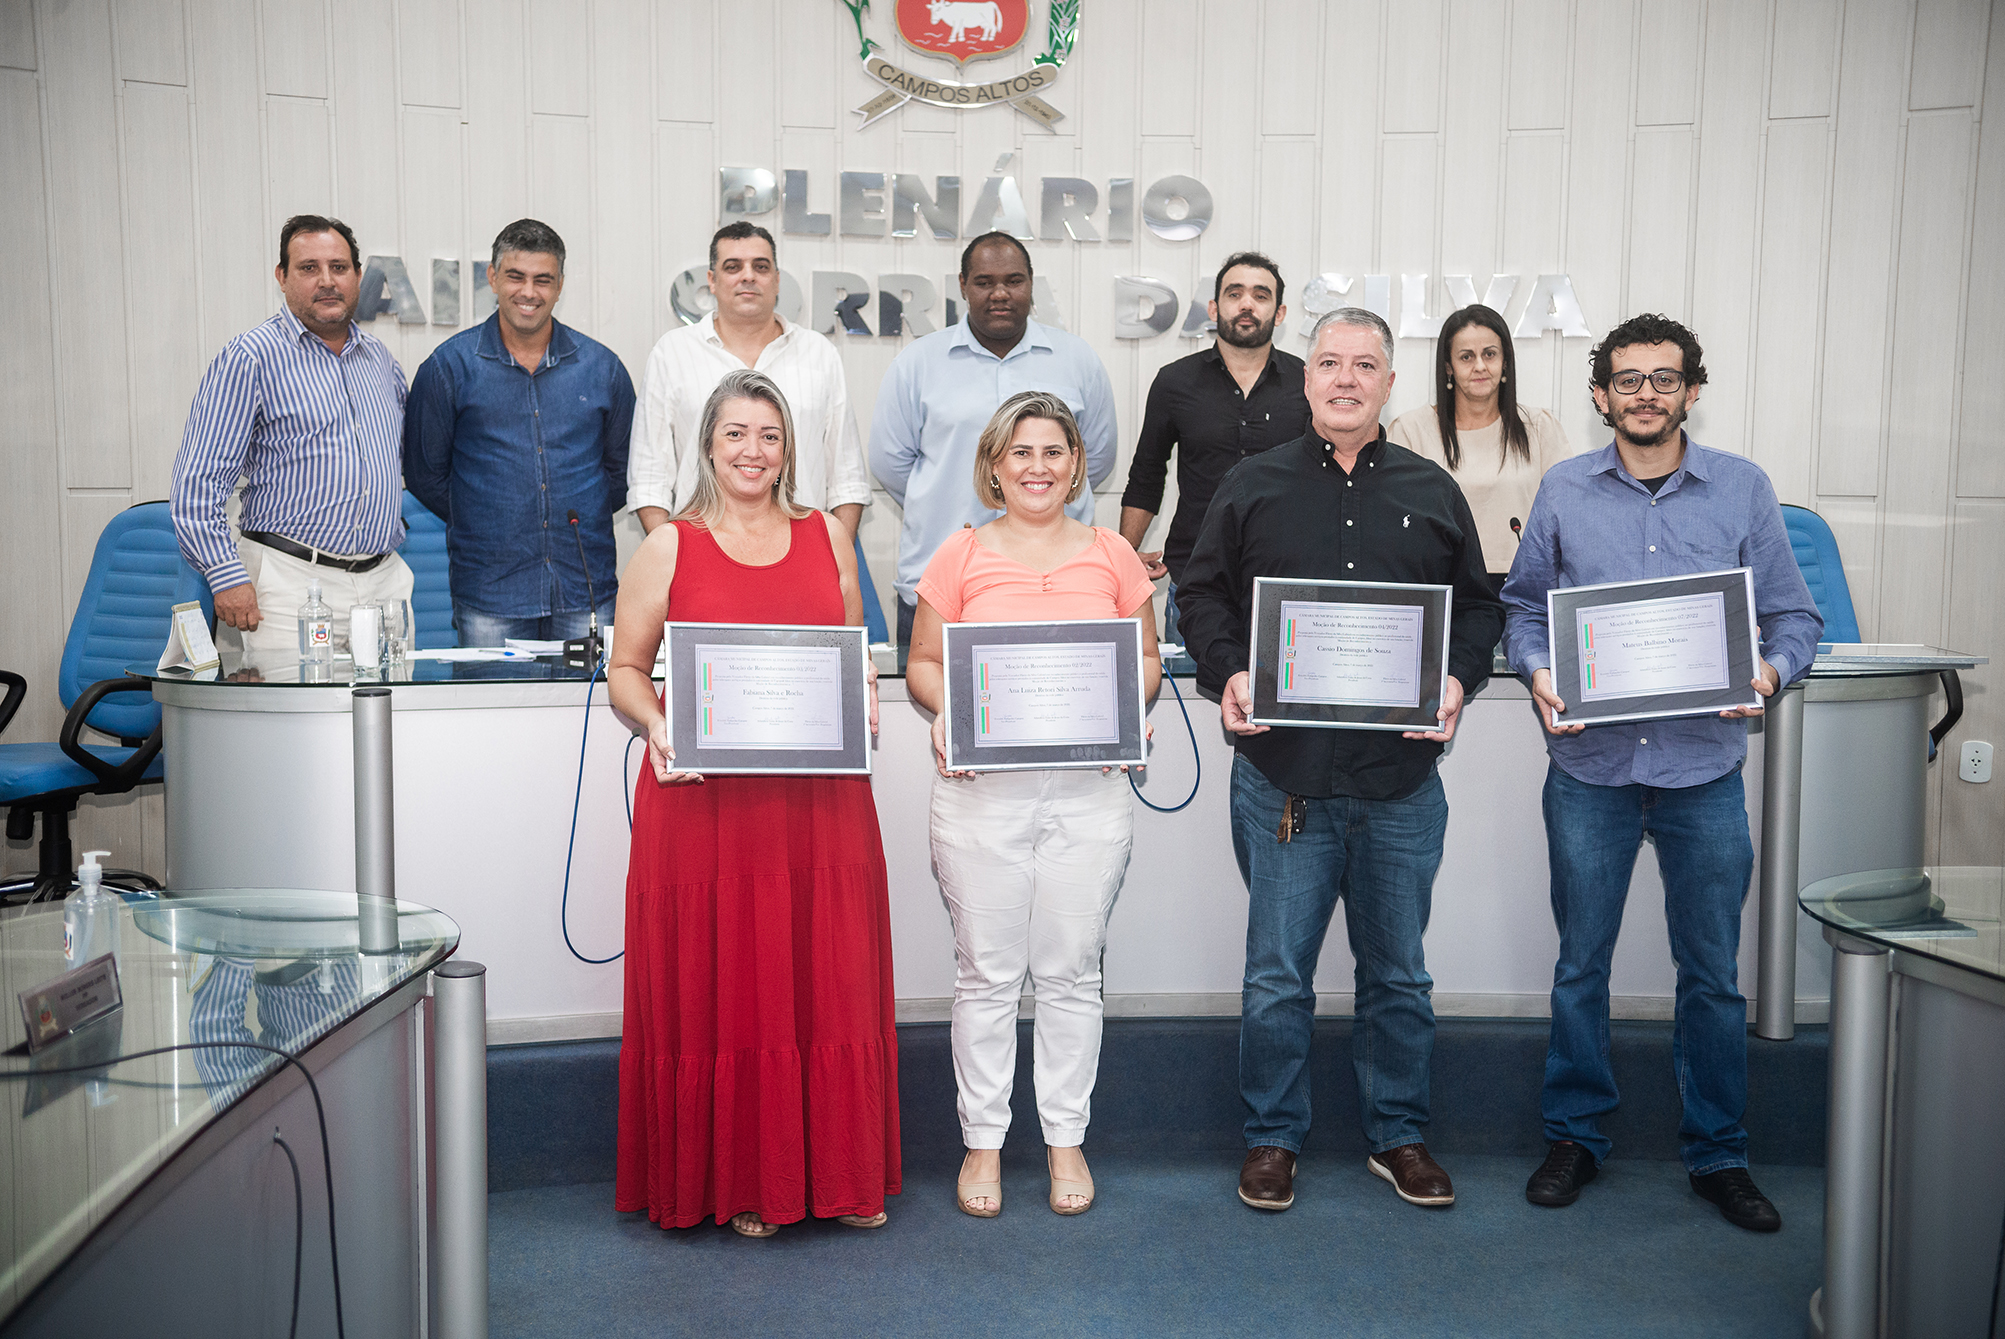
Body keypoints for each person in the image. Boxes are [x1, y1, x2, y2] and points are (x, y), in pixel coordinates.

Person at [1175, 308, 1504, 1214]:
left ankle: (1397, 1135)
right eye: (1329, 362)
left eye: (1366, 365)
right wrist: (1230, 671)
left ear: (1390, 384)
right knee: (1276, 973)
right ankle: (1271, 1139)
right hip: (1285, 780)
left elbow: (1478, 610)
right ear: (1306, 379)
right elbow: (1197, 596)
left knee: (1398, 972)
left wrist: (1456, 681)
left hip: (1399, 783)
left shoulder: (1432, 491)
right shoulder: (1250, 484)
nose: (1346, 379)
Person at [1501, 313, 1821, 1232]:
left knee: (1712, 974)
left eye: (1664, 378)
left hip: (1702, 770)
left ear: (1690, 389)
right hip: (1590, 769)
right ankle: (1574, 1137)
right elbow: (1523, 609)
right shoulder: (1564, 490)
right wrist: (1536, 670)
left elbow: (1793, 620)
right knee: (1579, 965)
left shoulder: (1743, 490)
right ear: (1600, 393)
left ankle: (1718, 1152)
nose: (1646, 394)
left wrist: (1764, 672)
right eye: (1627, 379)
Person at [608, 369, 899, 1238]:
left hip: (818, 805)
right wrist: (658, 723)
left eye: (768, 435)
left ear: (789, 449)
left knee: (826, 974)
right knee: (730, 976)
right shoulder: (668, 546)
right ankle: (741, 1178)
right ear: (706, 445)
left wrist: (869, 694)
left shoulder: (828, 538)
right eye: (734, 433)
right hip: (706, 807)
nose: (752, 451)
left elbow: (850, 654)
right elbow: (625, 672)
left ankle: (838, 1176)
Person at [904, 392, 1162, 1219]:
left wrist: (1129, 704)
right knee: (985, 972)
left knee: (1069, 973)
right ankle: (982, 1139)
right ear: (993, 465)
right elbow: (921, 662)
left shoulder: (1113, 552)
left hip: (1088, 797)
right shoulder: (960, 553)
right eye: (1021, 452)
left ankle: (1063, 1138)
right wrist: (949, 713)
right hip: (982, 797)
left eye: (1053, 451)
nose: (1038, 466)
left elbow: (1148, 657)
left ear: (1076, 464)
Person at [171, 214, 413, 662]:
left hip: (383, 586)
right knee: (293, 730)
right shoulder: (250, 358)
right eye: (308, 268)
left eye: (339, 268)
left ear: (358, 276)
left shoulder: (379, 360)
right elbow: (196, 488)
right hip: (288, 589)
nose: (327, 281)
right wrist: (226, 576)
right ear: (281, 277)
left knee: (386, 725)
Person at [870, 231, 1118, 646]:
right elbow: (890, 465)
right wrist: (956, 498)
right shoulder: (917, 363)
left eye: (1014, 281)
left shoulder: (1076, 360)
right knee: (944, 704)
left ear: (1031, 285)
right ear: (964, 286)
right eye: (984, 282)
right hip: (942, 587)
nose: (1000, 293)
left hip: (1060, 586)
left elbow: (1096, 458)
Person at [402, 219, 634, 645]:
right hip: (490, 592)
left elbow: (620, 475)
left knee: (589, 710)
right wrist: (486, 514)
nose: (529, 292)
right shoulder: (448, 368)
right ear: (492, 277)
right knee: (494, 710)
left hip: (583, 588)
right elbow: (424, 474)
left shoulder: (603, 369)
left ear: (560, 285)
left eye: (543, 279)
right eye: (516, 276)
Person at [627, 222, 870, 539]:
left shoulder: (819, 354)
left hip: (802, 552)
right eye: (733, 266)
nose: (748, 276)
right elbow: (650, 478)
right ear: (712, 281)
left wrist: (835, 559)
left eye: (761, 266)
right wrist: (671, 561)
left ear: (777, 280)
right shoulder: (672, 353)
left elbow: (846, 477)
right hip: (701, 553)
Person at [1119, 252, 1310, 637]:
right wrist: (1121, 559)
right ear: (1213, 307)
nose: (1246, 304)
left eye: (1261, 295)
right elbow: (1147, 474)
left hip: (1287, 582)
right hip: (1195, 581)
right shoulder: (1174, 382)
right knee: (1190, 698)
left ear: (1280, 312)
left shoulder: (1307, 384)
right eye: (1234, 293)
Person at [1388, 304, 1572, 592]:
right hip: (1443, 586)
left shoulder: (1540, 427)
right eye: (1466, 357)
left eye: (1490, 354)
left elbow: (1566, 514)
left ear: (1505, 362)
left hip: (1525, 589)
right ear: (1448, 367)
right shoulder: (1410, 431)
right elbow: (1396, 528)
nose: (1480, 366)